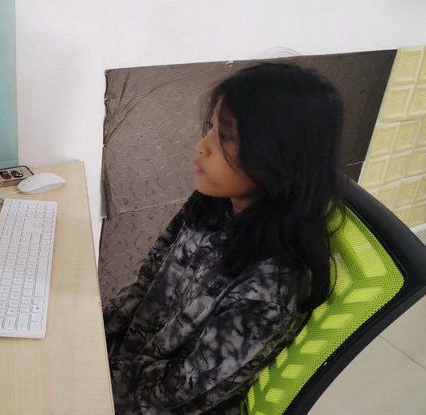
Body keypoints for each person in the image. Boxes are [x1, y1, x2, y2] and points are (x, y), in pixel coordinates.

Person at [103, 62, 345, 414]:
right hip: (122, 367)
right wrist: (92, 333)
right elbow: (146, 283)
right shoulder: (211, 205)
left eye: (225, 136)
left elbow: (175, 392)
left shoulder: (270, 290)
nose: (201, 146)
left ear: (279, 156)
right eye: (210, 128)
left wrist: (93, 376)